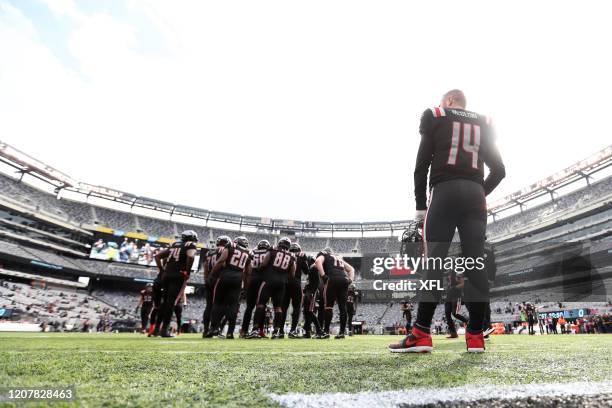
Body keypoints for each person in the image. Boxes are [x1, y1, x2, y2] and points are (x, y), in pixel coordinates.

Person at [389, 89, 505, 354]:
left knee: (434, 264)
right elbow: (499, 170)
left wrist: (420, 206)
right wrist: (477, 194)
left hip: (444, 192)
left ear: (449, 101)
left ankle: (421, 334)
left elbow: (421, 165)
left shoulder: (437, 114)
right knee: (476, 264)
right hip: (475, 195)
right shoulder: (483, 121)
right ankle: (475, 337)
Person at [152, 230, 198, 338]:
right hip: (178, 275)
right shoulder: (190, 245)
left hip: (167, 275)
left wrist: (162, 270)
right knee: (171, 302)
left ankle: (156, 329)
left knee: (164, 302)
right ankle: (164, 330)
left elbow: (157, 256)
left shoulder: (174, 244)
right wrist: (187, 271)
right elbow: (190, 256)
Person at [248, 237, 295, 339]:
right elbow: (292, 274)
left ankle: (255, 330)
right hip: (281, 284)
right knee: (278, 308)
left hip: (268, 281)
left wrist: (260, 270)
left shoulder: (272, 251)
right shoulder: (291, 256)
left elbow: (264, 264)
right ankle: (276, 331)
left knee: (260, 305)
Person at [207, 236, 252, 339]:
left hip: (225, 275)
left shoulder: (230, 246)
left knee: (218, 303)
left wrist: (212, 274)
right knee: (233, 306)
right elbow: (248, 273)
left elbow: (221, 260)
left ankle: (213, 328)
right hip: (238, 279)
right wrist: (245, 287)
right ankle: (230, 333)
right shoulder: (248, 252)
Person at [314, 247, 355, 339]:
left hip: (332, 279)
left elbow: (317, 262)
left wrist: (323, 275)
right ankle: (341, 333)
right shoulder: (338, 257)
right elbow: (351, 269)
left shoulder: (324, 255)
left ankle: (326, 332)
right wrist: (350, 280)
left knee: (328, 306)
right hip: (344, 279)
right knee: (342, 307)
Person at [240, 239, 271, 338]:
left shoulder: (252, 252)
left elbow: (246, 270)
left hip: (252, 280)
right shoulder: (268, 252)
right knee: (262, 306)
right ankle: (259, 330)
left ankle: (244, 331)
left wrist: (245, 287)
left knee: (249, 307)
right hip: (263, 281)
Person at [202, 236, 232, 336]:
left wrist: (206, 279)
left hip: (210, 279)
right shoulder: (224, 250)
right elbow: (223, 264)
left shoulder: (209, 252)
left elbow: (205, 267)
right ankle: (214, 328)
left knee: (209, 306)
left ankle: (206, 330)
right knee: (220, 305)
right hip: (219, 279)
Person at [283, 243, 311, 338]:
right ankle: (293, 330)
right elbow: (307, 271)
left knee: (283, 307)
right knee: (297, 307)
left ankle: (278, 330)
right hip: (296, 283)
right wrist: (305, 260)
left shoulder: (285, 256)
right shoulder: (300, 257)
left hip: (285, 283)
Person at [444, 272, 468, 339]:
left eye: (450, 276)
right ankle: (453, 334)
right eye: (448, 276)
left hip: (456, 299)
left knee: (455, 314)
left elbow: (463, 284)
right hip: (448, 300)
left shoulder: (457, 281)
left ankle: (467, 321)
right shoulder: (449, 284)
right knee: (447, 315)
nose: (449, 277)